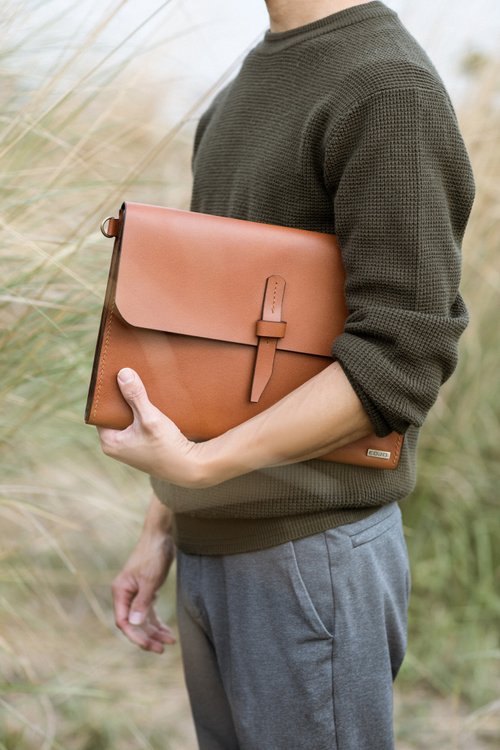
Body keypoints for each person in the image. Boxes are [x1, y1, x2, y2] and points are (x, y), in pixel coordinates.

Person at [97, 1, 475, 748]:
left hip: (311, 560)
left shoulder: (387, 91)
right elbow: (217, 350)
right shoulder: (248, 83)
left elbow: (399, 359)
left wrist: (203, 467)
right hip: (214, 548)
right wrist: (164, 521)